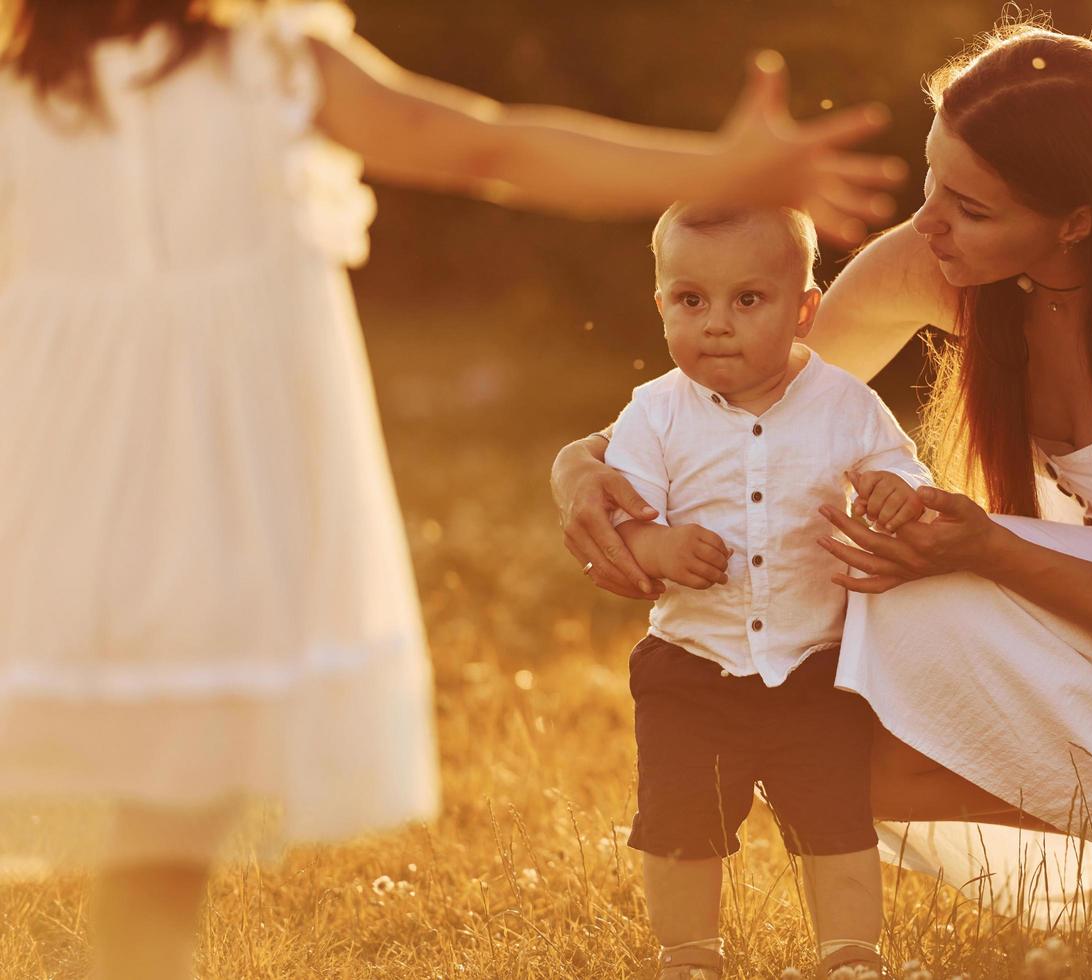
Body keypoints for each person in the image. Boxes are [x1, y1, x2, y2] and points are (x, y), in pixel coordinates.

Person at [0, 2, 903, 978]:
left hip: (65, 483)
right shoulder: (278, 69)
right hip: (220, 497)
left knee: (158, 803)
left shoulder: (31, 88)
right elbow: (492, 147)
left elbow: (490, 147)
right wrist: (717, 169)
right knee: (171, 810)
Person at [551, 19, 1092, 959]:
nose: (928, 223)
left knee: (888, 601)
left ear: (1077, 221)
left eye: (971, 206)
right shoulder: (940, 263)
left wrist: (986, 547)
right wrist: (583, 461)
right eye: (930, 181)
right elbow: (755, 390)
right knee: (822, 733)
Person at [605, 202, 931, 979]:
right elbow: (621, 529)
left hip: (812, 666)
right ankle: (688, 955)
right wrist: (659, 545)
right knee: (680, 824)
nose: (716, 323)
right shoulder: (654, 413)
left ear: (804, 310)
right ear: (660, 305)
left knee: (836, 821)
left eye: (747, 300)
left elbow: (902, 470)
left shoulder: (846, 404)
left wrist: (892, 490)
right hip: (691, 666)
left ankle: (850, 954)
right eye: (691, 301)